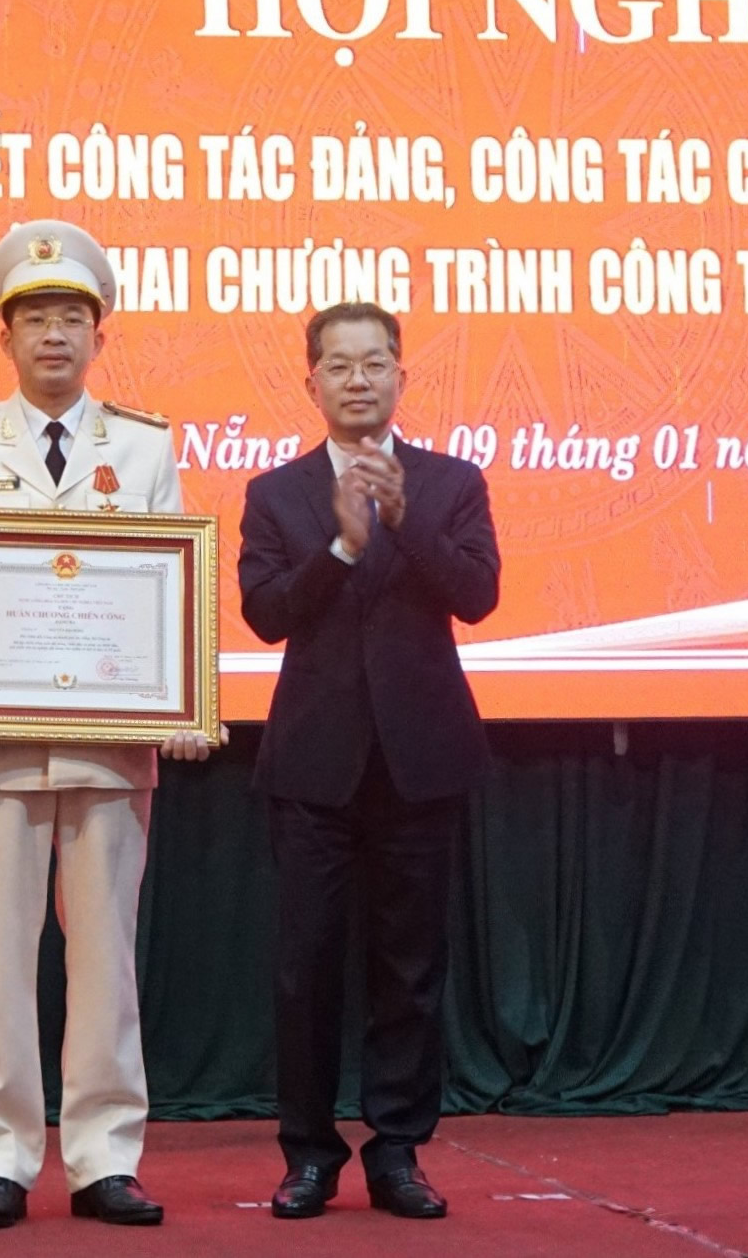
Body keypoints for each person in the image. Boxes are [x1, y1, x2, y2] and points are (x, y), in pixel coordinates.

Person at [0, 218, 217, 1231]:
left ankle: (102, 1157)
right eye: (34, 316)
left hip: (108, 745)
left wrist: (183, 701)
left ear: (98, 335)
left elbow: (175, 595)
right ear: (6, 337)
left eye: (71, 316)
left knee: (105, 961)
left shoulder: (145, 446)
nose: (53, 334)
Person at [237, 301, 500, 1220]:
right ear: (309, 381)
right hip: (314, 766)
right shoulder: (276, 494)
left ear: (400, 376)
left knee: (410, 967)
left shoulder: (450, 481)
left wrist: (402, 521)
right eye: (339, 366)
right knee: (305, 969)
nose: (359, 380)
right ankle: (308, 1154)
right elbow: (267, 613)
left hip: (420, 759)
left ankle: (397, 1150)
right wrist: (346, 543)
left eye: (375, 363)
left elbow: (476, 595)